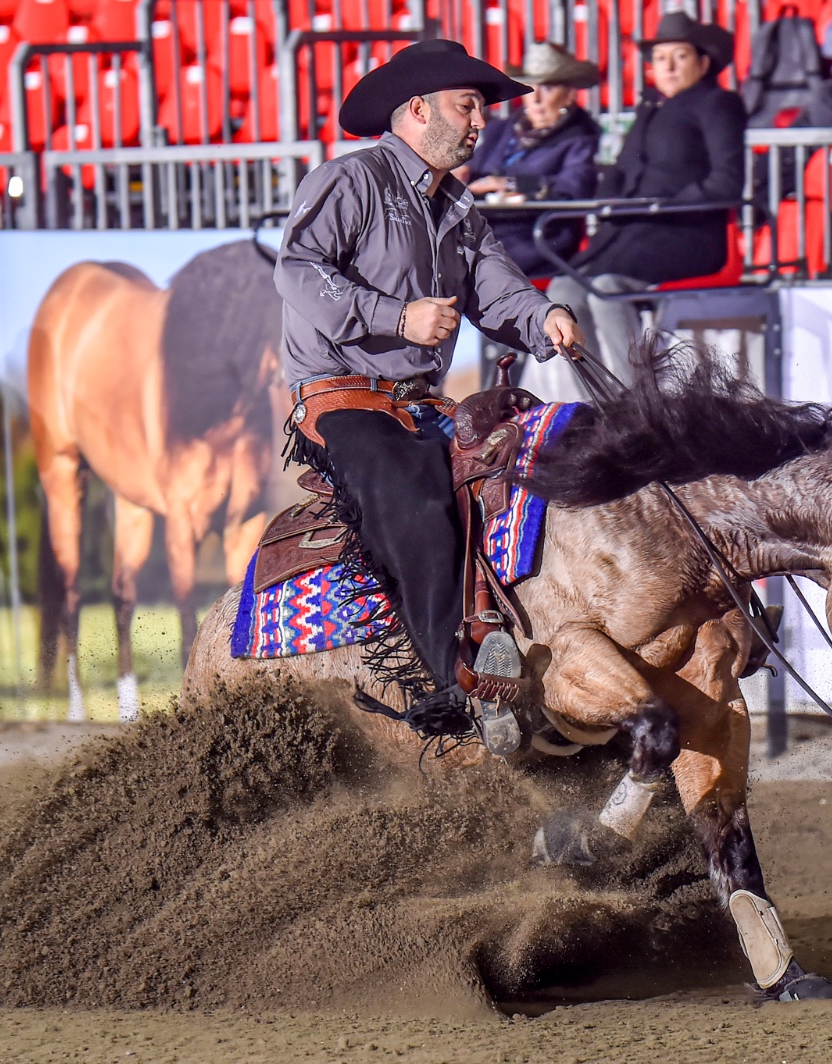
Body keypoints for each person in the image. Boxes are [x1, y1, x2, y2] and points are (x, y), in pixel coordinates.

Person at [274, 39, 583, 729]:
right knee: (415, 504)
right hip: (345, 399)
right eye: (467, 106)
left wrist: (546, 317)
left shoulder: (457, 206)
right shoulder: (349, 180)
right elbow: (297, 269)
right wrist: (395, 316)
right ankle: (458, 683)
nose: (481, 122)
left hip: (423, 407)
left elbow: (499, 291)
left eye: (480, 108)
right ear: (416, 109)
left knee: (537, 466)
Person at [543, 13, 745, 395]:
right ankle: (602, 401)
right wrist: (611, 198)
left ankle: (636, 404)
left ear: (703, 62)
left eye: (679, 56)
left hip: (688, 233)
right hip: (633, 231)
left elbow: (727, 181)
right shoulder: (650, 108)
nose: (666, 66)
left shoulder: (719, 103)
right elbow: (621, 169)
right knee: (564, 291)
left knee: (607, 289)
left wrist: (664, 207)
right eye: (660, 57)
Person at [460, 42, 602, 278]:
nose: (535, 99)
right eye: (530, 87)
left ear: (568, 95)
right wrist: (458, 174)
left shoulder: (580, 138)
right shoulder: (500, 130)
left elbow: (574, 188)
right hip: (481, 232)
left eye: (547, 88)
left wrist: (509, 184)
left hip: (536, 240)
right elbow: (473, 174)